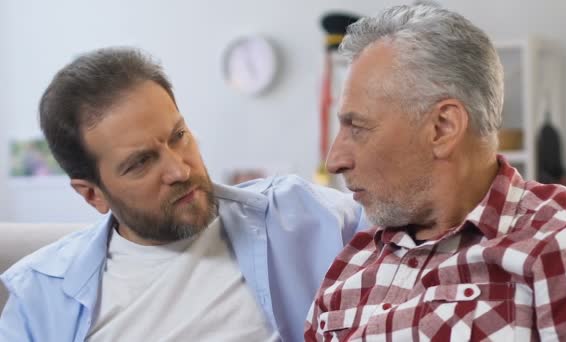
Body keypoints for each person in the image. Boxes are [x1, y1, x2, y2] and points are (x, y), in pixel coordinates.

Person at [0, 47, 369, 342]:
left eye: (179, 136)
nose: (180, 170)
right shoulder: (39, 295)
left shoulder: (298, 213)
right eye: (142, 162)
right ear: (93, 195)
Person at [305, 3, 566, 341]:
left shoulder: (563, 240)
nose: (335, 160)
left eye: (357, 127)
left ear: (443, 127)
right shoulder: (351, 263)